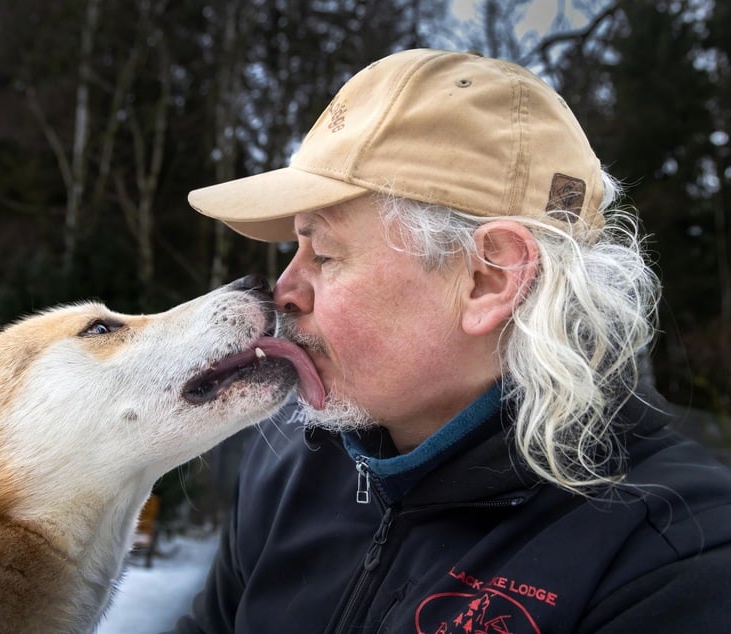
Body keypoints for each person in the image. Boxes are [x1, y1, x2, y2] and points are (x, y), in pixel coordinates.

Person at [173, 49, 731, 633]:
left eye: (326, 253)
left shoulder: (676, 559)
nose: (284, 290)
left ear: (487, 279)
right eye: (295, 248)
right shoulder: (288, 463)